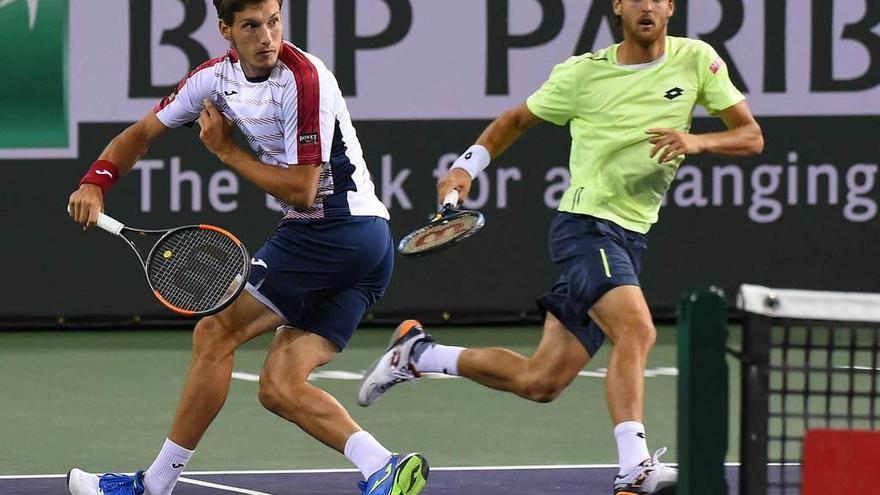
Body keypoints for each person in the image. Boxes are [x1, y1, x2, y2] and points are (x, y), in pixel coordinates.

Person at [357, 0, 763, 493]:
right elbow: (514, 121)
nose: (647, 6)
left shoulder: (698, 59)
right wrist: (466, 168)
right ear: (619, 6)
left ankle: (420, 354)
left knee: (540, 381)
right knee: (638, 331)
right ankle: (634, 466)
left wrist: (698, 141)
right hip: (587, 225)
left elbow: (750, 137)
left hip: (632, 235)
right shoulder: (582, 74)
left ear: (671, 6)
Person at [65, 1, 429, 495]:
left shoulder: (305, 79)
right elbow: (141, 134)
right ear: (226, 31)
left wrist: (224, 150)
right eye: (252, 26)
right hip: (363, 248)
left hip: (334, 232)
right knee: (279, 386)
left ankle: (153, 486)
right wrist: (96, 181)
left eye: (274, 21)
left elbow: (302, 190)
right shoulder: (212, 79)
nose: (267, 36)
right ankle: (384, 466)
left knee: (214, 335)